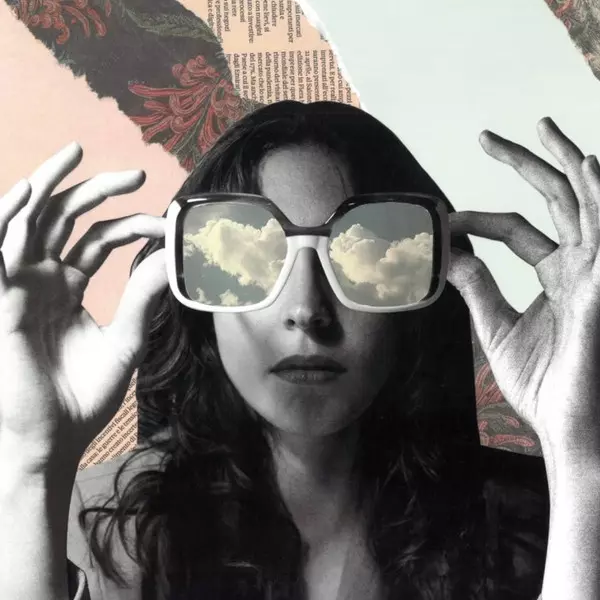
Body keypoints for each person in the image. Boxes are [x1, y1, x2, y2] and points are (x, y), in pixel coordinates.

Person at [0, 101, 599, 600]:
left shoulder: (539, 520)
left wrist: (579, 452)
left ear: (423, 300)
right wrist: (32, 461)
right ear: (198, 309)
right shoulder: (96, 529)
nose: (307, 309)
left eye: (367, 256)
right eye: (246, 257)